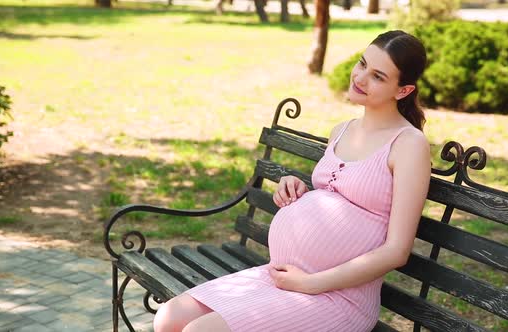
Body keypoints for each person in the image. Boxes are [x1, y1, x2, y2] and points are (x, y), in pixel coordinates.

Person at [153, 30, 431, 332]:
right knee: (168, 318)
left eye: (377, 76)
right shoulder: (342, 130)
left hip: (336, 299)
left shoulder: (408, 145)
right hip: (283, 277)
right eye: (362, 64)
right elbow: (337, 199)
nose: (360, 78)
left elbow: (397, 250)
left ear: (402, 91)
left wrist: (311, 283)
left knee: (199, 331)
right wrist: (299, 190)